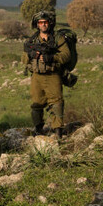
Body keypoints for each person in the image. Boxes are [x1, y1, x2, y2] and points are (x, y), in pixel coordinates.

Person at [22, 10, 70, 139]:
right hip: (37, 76)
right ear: (37, 24)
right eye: (40, 22)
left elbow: (66, 55)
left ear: (50, 23)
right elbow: (23, 58)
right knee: (36, 104)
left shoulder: (58, 38)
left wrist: (52, 57)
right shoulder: (32, 40)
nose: (43, 24)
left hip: (53, 75)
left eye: (46, 22)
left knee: (57, 103)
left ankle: (58, 131)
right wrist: (31, 55)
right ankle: (38, 129)